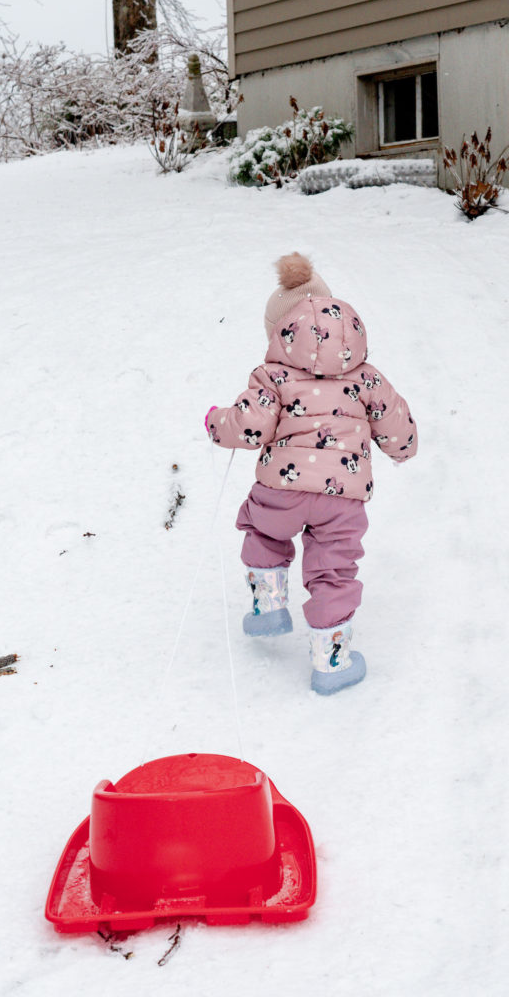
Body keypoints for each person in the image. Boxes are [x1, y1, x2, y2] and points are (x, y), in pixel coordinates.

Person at [205, 253, 418, 695]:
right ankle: (331, 663)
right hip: (342, 499)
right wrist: (404, 447)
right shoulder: (367, 378)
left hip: (280, 488)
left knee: (263, 532)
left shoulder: (273, 376)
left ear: (280, 333)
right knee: (334, 571)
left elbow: (248, 424)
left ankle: (269, 609)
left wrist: (215, 421)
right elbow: (396, 422)